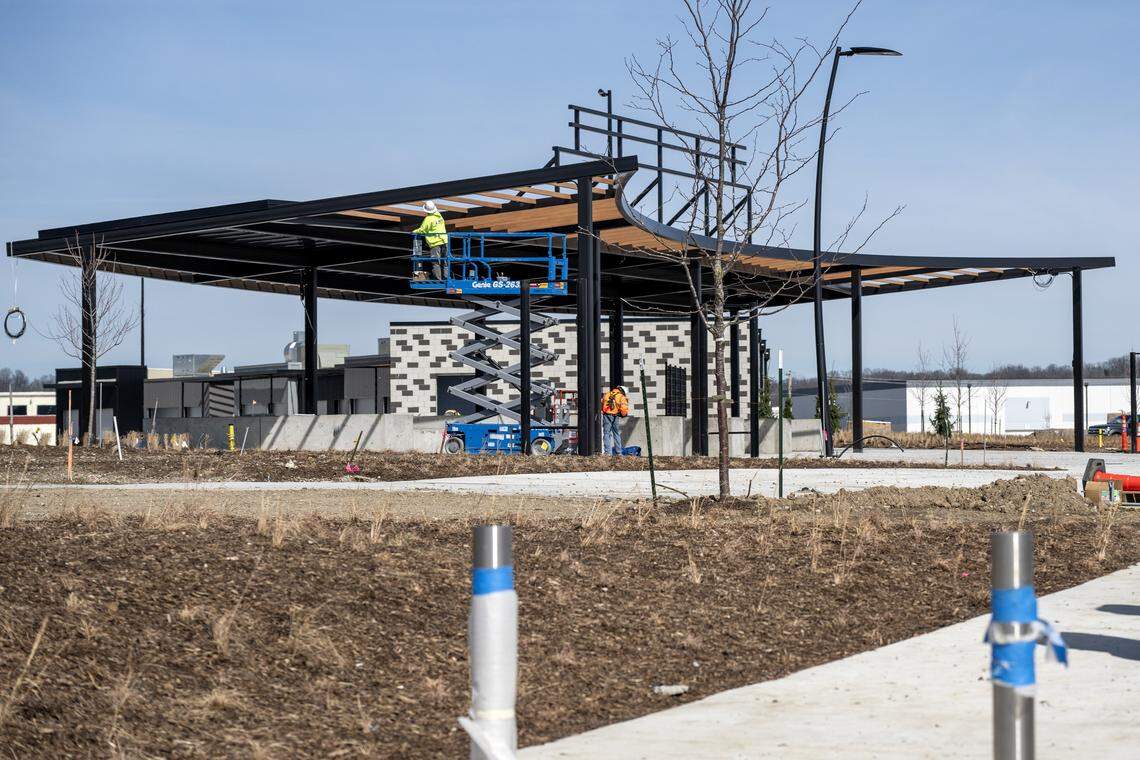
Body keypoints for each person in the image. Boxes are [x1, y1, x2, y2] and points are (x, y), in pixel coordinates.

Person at [412, 201, 448, 280]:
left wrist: (414, 232)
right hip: (444, 241)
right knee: (445, 261)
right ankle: (446, 277)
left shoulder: (428, 219)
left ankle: (438, 279)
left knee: (436, 262)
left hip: (435, 243)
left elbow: (422, 230)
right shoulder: (439, 215)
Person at [601, 385, 630, 455]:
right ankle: (618, 452)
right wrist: (623, 414)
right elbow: (624, 409)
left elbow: (602, 403)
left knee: (607, 434)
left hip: (606, 415)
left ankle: (608, 452)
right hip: (615, 416)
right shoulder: (621, 397)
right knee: (616, 433)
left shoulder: (607, 394)